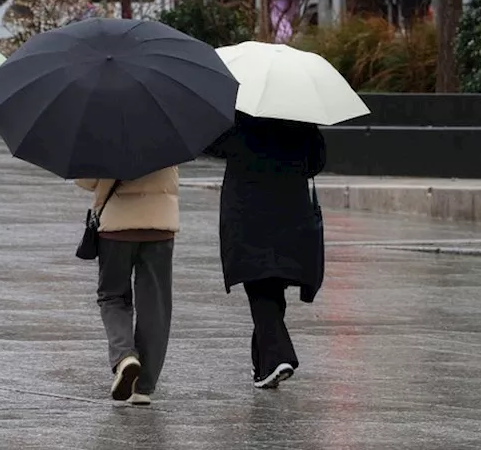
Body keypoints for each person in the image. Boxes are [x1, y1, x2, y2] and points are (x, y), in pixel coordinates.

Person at [205, 113, 326, 389]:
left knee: (259, 284)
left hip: (249, 213)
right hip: (290, 211)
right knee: (272, 283)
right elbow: (316, 162)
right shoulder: (300, 118)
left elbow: (211, 145)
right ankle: (262, 366)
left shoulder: (241, 119)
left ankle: (278, 357)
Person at [76, 166, 180, 406]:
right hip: (161, 226)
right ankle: (143, 388)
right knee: (155, 305)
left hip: (116, 226)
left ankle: (124, 356)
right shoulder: (169, 132)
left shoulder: (104, 132)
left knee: (112, 296)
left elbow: (87, 180)